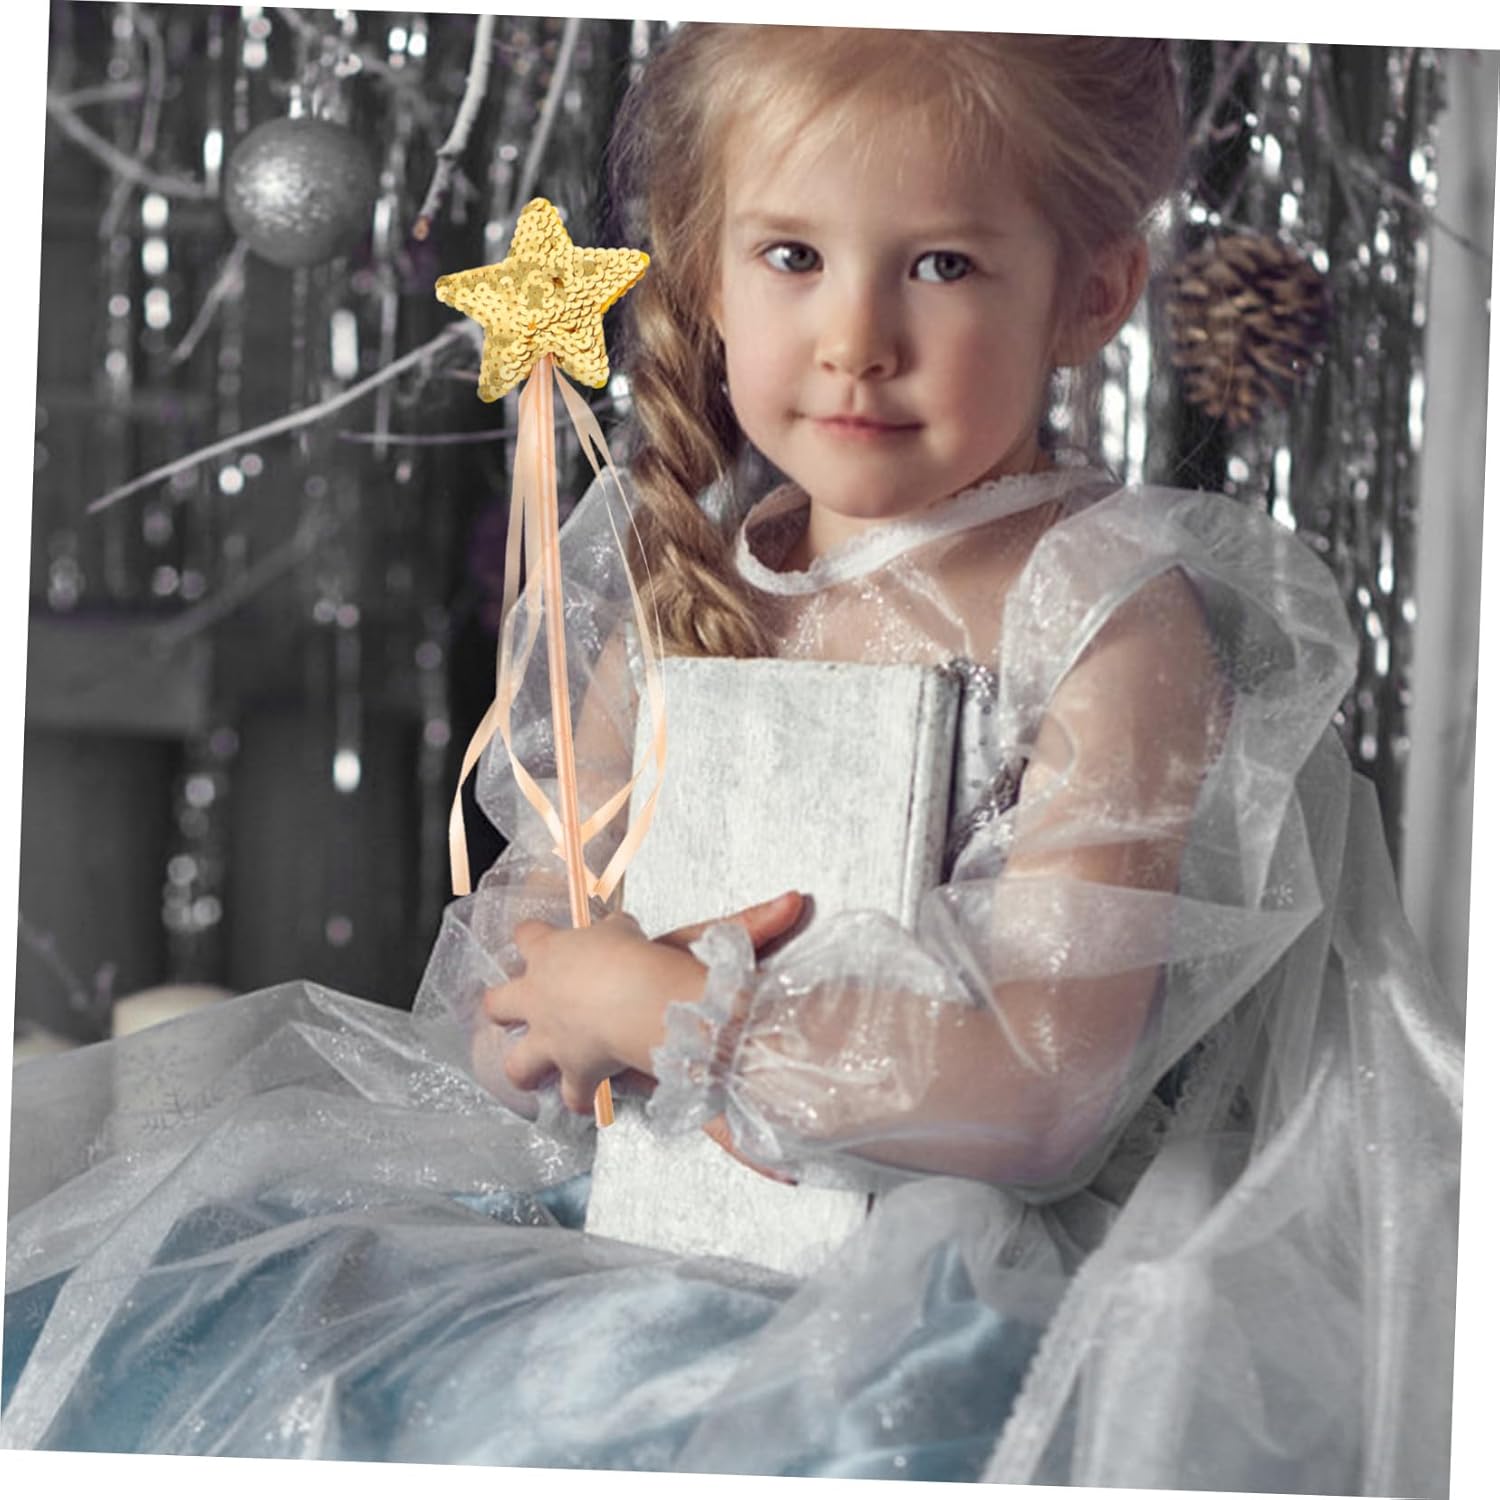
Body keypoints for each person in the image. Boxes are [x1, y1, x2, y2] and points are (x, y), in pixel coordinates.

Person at [3, 25, 1460, 1496]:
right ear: (707, 274)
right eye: (793, 256)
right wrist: (545, 1019)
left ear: (1091, 291)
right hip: (624, 1215)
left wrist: (677, 1010)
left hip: (931, 1278)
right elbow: (521, 963)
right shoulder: (681, 579)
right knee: (230, 1337)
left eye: (941, 264)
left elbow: (1043, 1094)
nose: (856, 337)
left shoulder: (1103, 617)